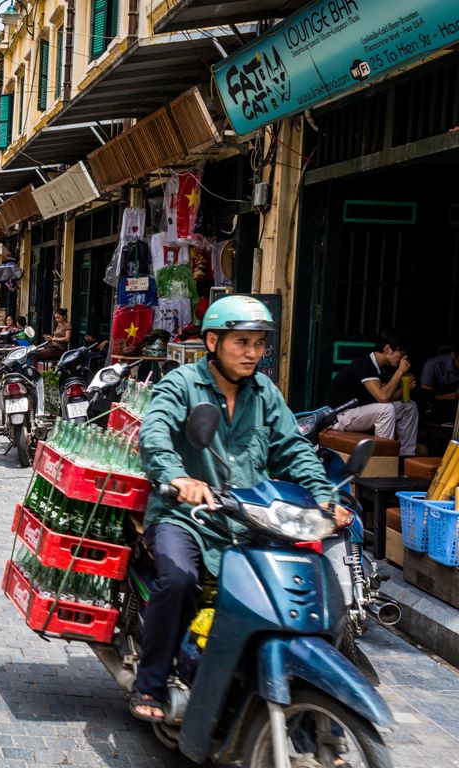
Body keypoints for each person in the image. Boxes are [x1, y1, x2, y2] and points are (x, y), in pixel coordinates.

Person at [133, 295, 350, 722]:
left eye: (258, 343)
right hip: (187, 518)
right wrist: (179, 479)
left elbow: (292, 446)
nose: (253, 353)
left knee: (306, 592)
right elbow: (154, 434)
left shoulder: (265, 392)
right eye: (242, 342)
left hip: (250, 521)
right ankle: (151, 683)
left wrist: (325, 495)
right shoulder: (181, 384)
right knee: (178, 580)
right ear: (213, 341)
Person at [326, 330, 419, 457]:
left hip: (358, 412)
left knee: (409, 406)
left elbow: (385, 398)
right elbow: (383, 398)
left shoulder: (380, 368)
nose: (402, 360)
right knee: (386, 409)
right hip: (340, 416)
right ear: (387, 349)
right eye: (401, 355)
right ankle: (382, 458)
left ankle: (405, 456)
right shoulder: (364, 364)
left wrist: (403, 390)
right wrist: (400, 371)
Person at [420, 340, 459, 420]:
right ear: (454, 355)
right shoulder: (433, 365)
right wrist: (451, 396)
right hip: (436, 405)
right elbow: (425, 397)